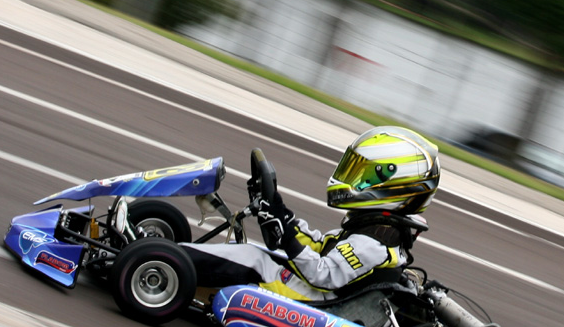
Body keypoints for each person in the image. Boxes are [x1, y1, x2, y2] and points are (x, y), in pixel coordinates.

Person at [181, 126, 439, 303]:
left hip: (317, 301)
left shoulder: (375, 242)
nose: (354, 178)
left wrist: (287, 239)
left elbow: (323, 274)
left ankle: (172, 260)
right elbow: (319, 247)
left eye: (366, 174)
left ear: (397, 185)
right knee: (262, 254)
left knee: (253, 259)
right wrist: (281, 214)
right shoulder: (372, 228)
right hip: (315, 290)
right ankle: (174, 254)